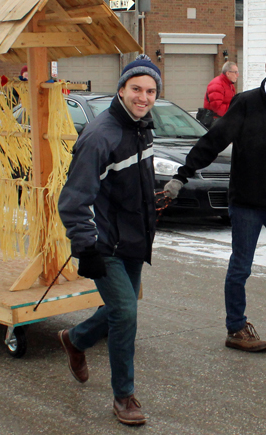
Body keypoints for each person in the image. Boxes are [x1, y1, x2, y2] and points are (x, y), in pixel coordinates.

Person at [164, 45, 266, 355]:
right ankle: (236, 327)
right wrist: (182, 175)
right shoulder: (247, 102)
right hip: (248, 200)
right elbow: (215, 139)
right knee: (241, 266)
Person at [57, 54, 160, 426]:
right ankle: (124, 397)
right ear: (121, 89)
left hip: (133, 240)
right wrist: (86, 248)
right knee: (126, 313)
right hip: (105, 243)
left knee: (121, 309)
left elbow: (133, 182)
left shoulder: (142, 127)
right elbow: (72, 201)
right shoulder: (100, 136)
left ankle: (76, 340)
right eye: (136, 89)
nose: (143, 97)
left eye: (150, 91)